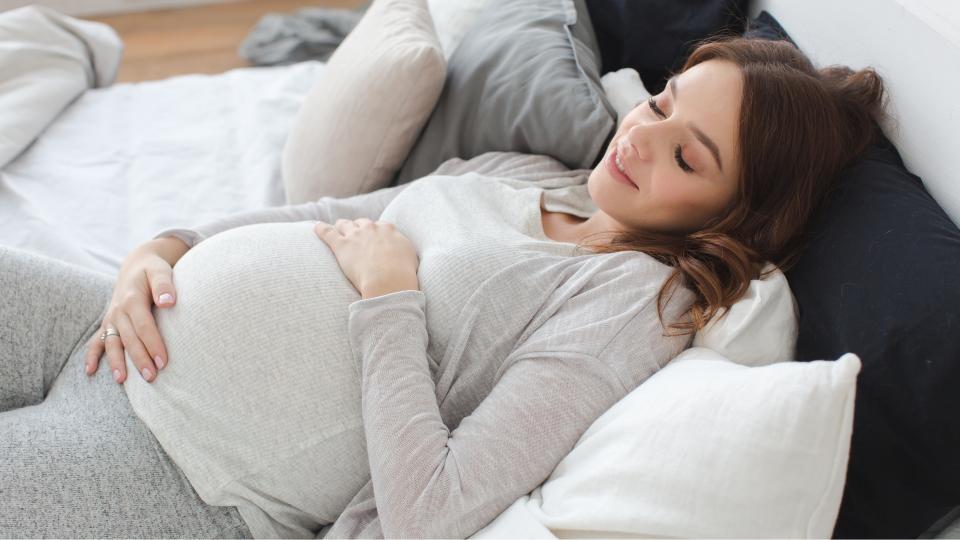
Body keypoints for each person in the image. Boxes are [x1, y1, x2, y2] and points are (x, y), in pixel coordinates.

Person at [0, 36, 886, 538]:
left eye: (689, 154)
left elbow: (434, 510)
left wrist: (390, 299)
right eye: (660, 102)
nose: (641, 139)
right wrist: (160, 249)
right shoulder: (532, 170)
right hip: (114, 324)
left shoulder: (635, 305)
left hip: (180, 471)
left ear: (733, 217)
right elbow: (327, 209)